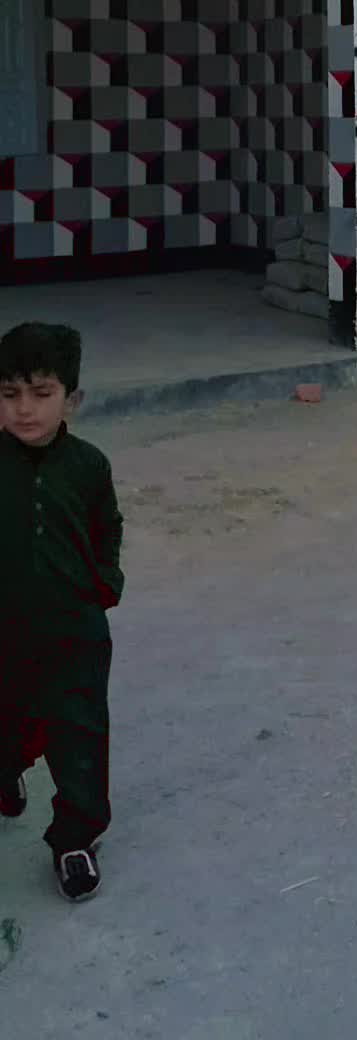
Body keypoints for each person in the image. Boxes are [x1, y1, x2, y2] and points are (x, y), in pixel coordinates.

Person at [0, 322, 123, 903]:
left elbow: (107, 529)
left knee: (78, 736)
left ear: (71, 399)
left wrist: (104, 585)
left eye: (41, 393)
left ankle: (75, 838)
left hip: (75, 636)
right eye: (9, 394)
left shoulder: (89, 466)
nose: (24, 409)